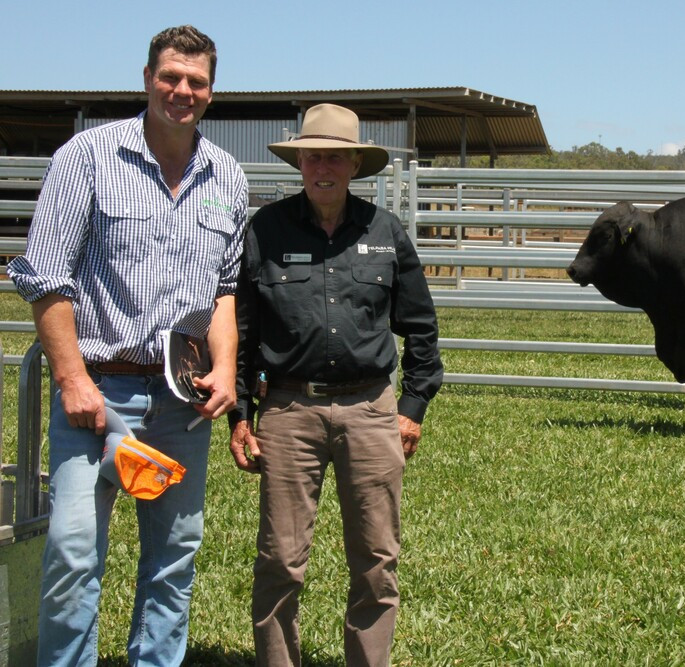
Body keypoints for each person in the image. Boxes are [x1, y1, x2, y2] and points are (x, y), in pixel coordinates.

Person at [7, 25, 249, 666]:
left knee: (174, 558)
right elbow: (45, 277)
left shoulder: (226, 175)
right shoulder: (85, 157)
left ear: (212, 92)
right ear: (147, 78)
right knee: (73, 553)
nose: (182, 90)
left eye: (196, 81)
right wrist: (72, 380)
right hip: (98, 396)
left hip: (182, 398)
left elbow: (224, 289)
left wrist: (225, 366)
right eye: (171, 76)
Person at [228, 103, 443, 666]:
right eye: (312, 156)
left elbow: (421, 327)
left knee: (376, 557)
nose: (322, 166)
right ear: (300, 163)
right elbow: (244, 333)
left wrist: (414, 406)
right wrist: (240, 418)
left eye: (335, 157)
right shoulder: (265, 230)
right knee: (280, 557)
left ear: (354, 165)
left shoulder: (385, 232)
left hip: (371, 410)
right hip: (288, 411)